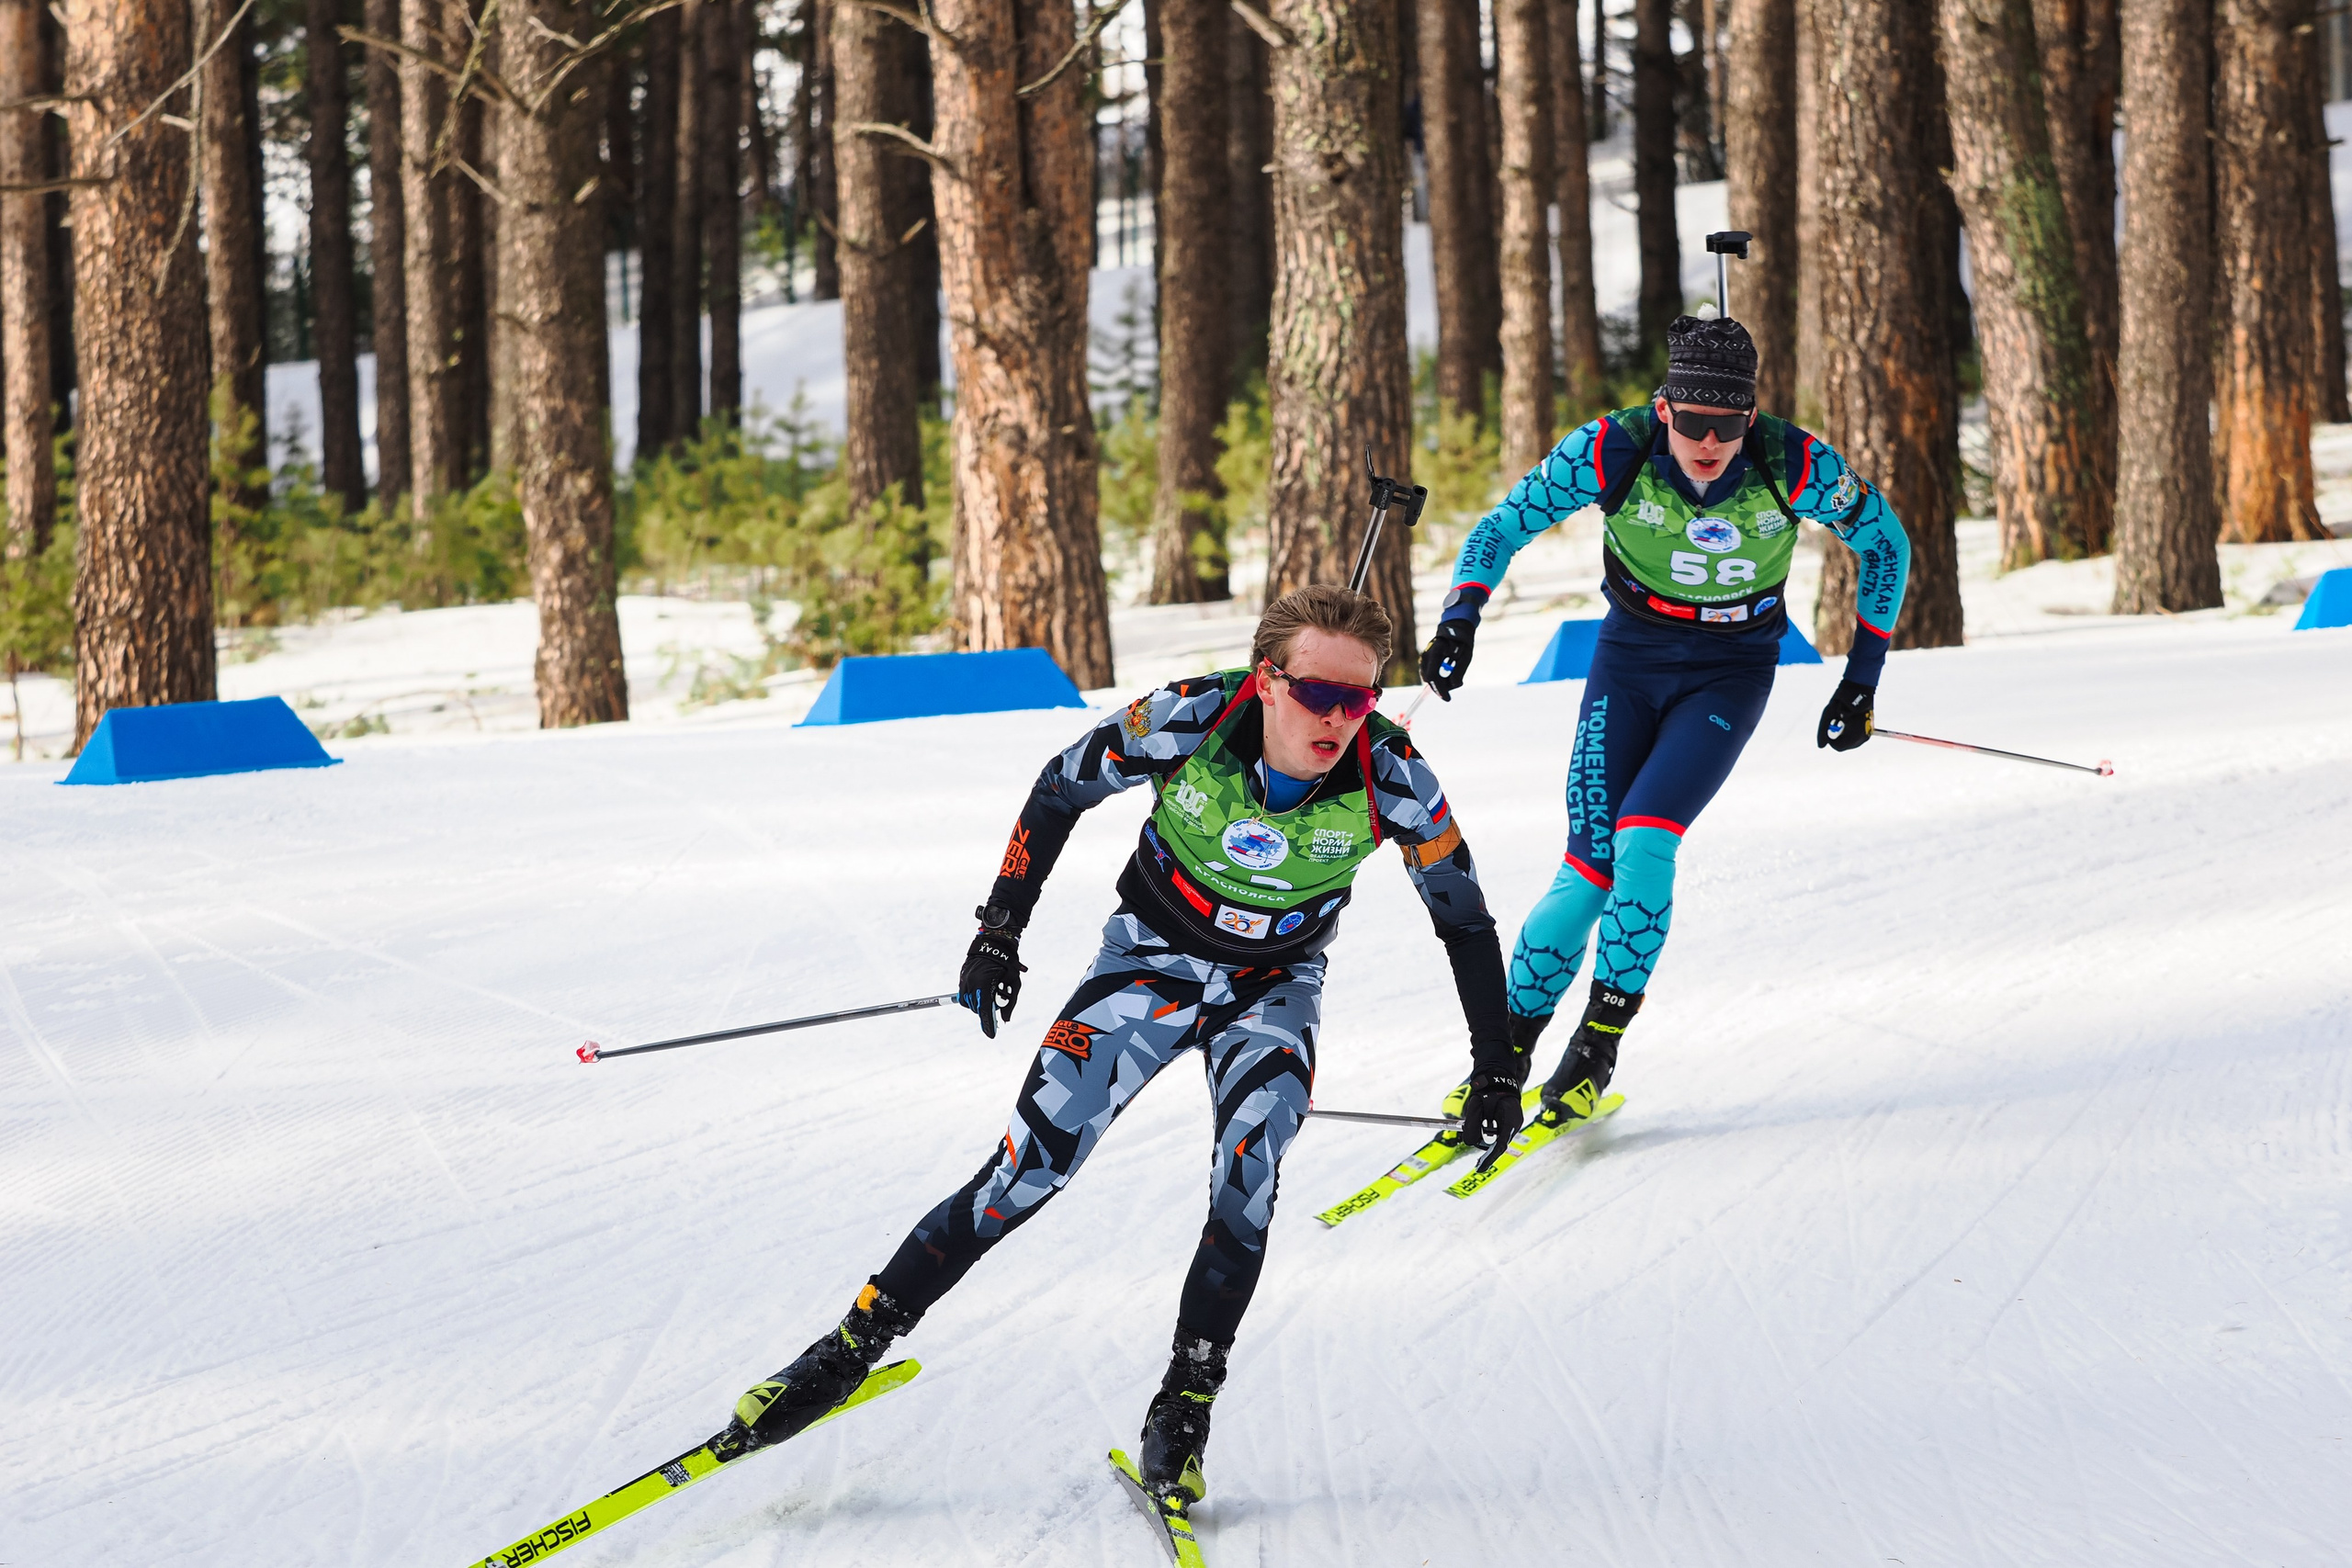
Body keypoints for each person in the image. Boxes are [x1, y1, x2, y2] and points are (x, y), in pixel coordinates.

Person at [728, 585, 1516, 1514]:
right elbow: (1058, 786)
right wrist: (999, 930)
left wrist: (1496, 1067)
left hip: (1272, 987)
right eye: (1318, 694)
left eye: (1361, 698)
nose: (1340, 719)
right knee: (1026, 1169)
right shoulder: (1186, 719)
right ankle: (848, 1348)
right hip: (1148, 963)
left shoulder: (1394, 776)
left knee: (1248, 1179)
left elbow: (1464, 921)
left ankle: (1185, 1403)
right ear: (1266, 680)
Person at [1418, 315, 1909, 1125]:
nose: (1709, 441)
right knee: (1587, 871)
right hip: (1631, 661)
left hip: (1730, 672)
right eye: (1692, 421)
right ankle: (1502, 1056)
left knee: (1644, 840)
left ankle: (1595, 1049)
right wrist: (1460, 618)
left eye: (1728, 424)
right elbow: (1504, 524)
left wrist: (1861, 681)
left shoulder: (1793, 462)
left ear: (1751, 415)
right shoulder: (1612, 448)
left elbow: (1886, 543)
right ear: (1663, 408)